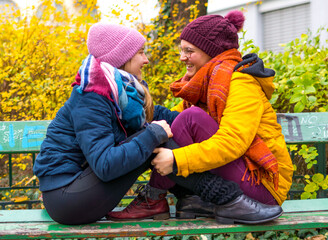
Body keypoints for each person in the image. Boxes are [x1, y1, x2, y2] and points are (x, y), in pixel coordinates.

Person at [33, 22, 283, 225]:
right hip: (66, 198)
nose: (146, 60)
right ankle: (227, 199)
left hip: (80, 191)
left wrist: (191, 117)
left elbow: (173, 120)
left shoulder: (121, 96)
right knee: (149, 140)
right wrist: (153, 133)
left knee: (156, 135)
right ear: (123, 58)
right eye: (140, 53)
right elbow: (105, 165)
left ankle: (179, 200)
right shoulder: (92, 98)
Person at [107, 10, 294, 223]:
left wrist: (177, 158)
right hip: (242, 178)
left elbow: (232, 142)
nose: (182, 57)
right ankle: (158, 198)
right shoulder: (207, 83)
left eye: (189, 50)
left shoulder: (241, 84)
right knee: (173, 122)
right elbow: (176, 124)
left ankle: (153, 197)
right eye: (182, 50)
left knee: (190, 118)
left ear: (210, 51)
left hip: (264, 190)